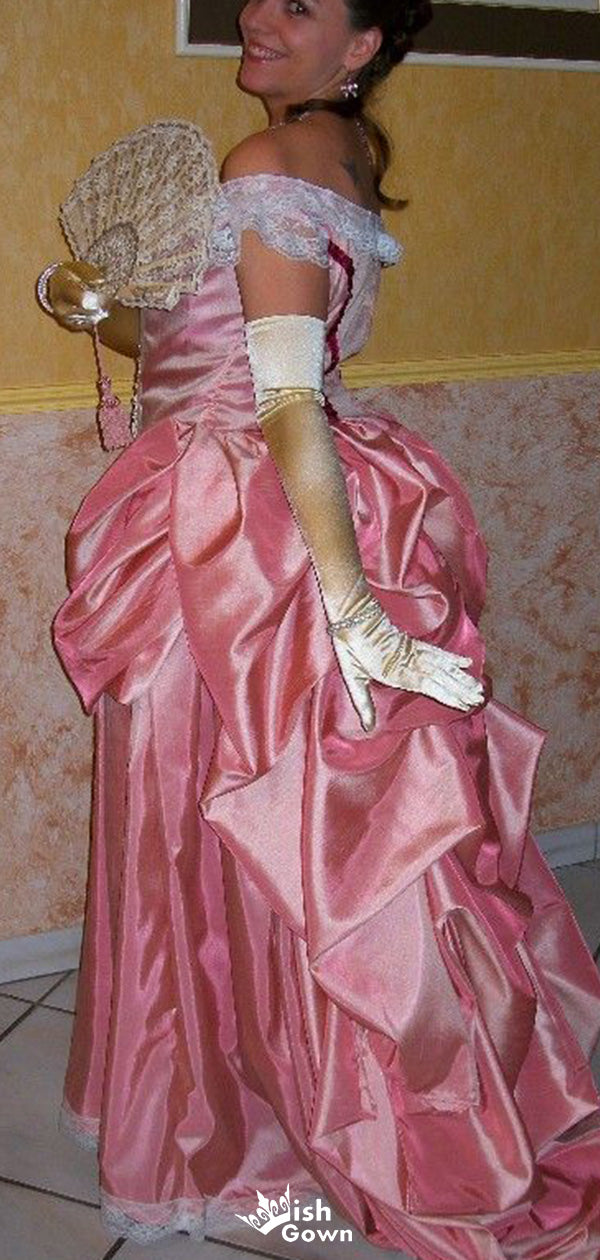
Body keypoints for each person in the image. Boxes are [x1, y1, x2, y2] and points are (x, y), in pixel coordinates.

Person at [40, 1, 600, 1256]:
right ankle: (328, 1090)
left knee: (215, 819)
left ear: (361, 46)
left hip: (241, 536)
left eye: (301, 2)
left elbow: (282, 398)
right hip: (294, 498)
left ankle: (234, 1120)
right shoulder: (334, 153)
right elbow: (224, 348)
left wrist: (353, 614)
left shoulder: (266, 159)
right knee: (304, 830)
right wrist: (99, 308)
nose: (257, 13)